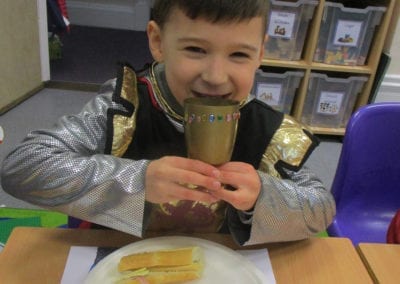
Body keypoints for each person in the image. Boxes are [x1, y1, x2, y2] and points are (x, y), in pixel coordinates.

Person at [1, 0, 335, 245]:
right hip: (120, 258)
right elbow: (22, 167)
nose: (216, 77)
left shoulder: (266, 128)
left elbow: (321, 209)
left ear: (260, 54)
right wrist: (138, 180)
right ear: (158, 42)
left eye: (239, 55)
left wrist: (261, 196)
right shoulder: (124, 107)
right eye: (195, 49)